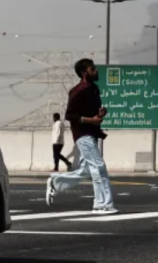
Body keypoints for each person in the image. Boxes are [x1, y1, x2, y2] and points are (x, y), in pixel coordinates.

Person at [45, 58, 117, 214]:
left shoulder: (94, 89)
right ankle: (102, 204)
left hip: (92, 133)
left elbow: (95, 111)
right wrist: (91, 120)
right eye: (92, 69)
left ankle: (56, 182)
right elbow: (70, 115)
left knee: (86, 171)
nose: (96, 71)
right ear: (84, 73)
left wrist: (101, 113)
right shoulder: (77, 91)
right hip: (82, 135)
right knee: (98, 167)